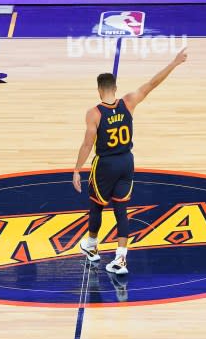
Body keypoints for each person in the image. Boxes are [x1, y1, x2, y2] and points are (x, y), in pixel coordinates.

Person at [72, 47, 188, 274]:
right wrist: (174, 63)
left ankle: (92, 247)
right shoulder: (129, 102)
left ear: (98, 90)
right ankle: (121, 259)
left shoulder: (94, 113)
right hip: (126, 162)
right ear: (114, 89)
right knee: (121, 209)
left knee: (97, 205)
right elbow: (152, 83)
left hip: (105, 164)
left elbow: (87, 144)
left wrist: (77, 169)